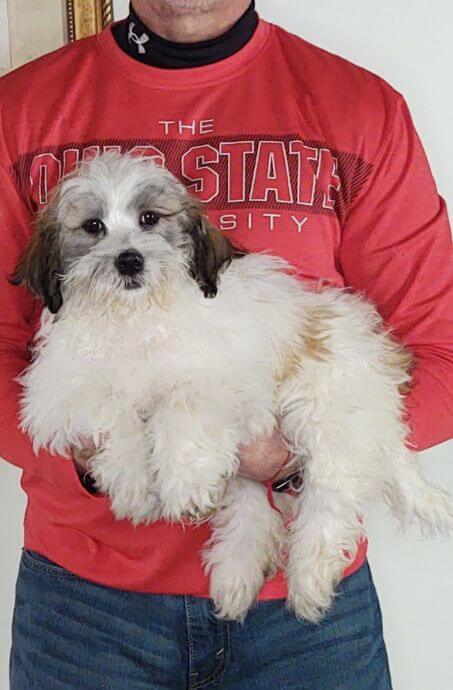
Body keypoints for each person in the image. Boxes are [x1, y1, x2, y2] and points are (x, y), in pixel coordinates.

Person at [1, 1, 452, 688]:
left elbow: (440, 347)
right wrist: (93, 459)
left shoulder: (359, 107)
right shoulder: (21, 109)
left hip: (305, 625)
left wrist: (299, 453)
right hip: (82, 608)